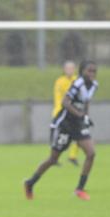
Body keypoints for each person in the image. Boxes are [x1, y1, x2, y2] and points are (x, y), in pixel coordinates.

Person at [24, 60, 98, 201]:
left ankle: (79, 189)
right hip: (64, 124)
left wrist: (86, 117)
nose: (92, 74)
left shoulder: (94, 85)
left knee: (91, 153)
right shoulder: (77, 84)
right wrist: (81, 115)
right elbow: (65, 102)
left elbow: (86, 101)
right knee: (53, 159)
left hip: (78, 124)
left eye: (94, 71)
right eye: (89, 70)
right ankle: (30, 183)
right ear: (82, 71)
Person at [53, 61, 79, 166]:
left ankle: (72, 156)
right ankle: (54, 157)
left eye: (72, 68)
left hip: (74, 112)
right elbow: (60, 98)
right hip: (62, 112)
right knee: (61, 137)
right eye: (67, 68)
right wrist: (60, 111)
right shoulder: (60, 81)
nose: (70, 70)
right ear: (64, 69)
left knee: (77, 135)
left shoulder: (77, 81)